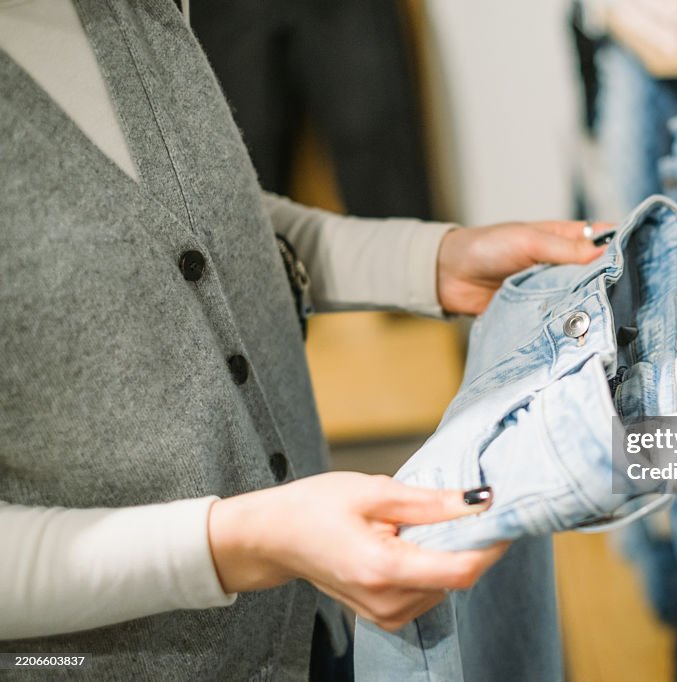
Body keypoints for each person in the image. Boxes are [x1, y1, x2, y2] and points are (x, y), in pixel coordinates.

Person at [0, 0, 604, 678]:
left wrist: (424, 260)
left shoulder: (135, 11)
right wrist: (246, 542)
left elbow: (193, 218)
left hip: (307, 617)